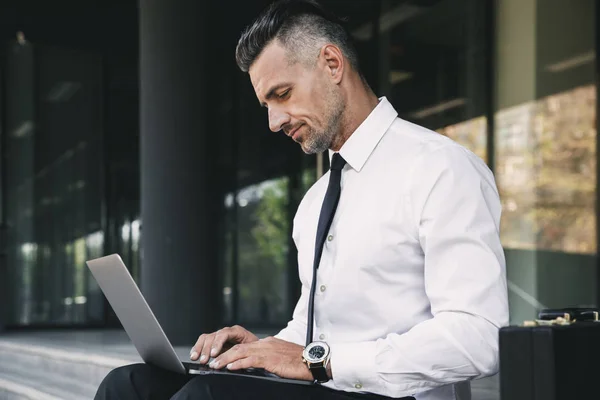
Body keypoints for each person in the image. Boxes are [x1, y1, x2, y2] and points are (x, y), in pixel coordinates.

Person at [94, 0, 509, 399]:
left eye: (283, 94)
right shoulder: (314, 203)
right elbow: (312, 335)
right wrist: (264, 348)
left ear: (332, 64)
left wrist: (319, 360)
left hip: (398, 396)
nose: (274, 122)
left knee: (207, 396)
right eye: (266, 105)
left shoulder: (440, 167)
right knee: (129, 385)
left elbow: (479, 338)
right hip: (325, 389)